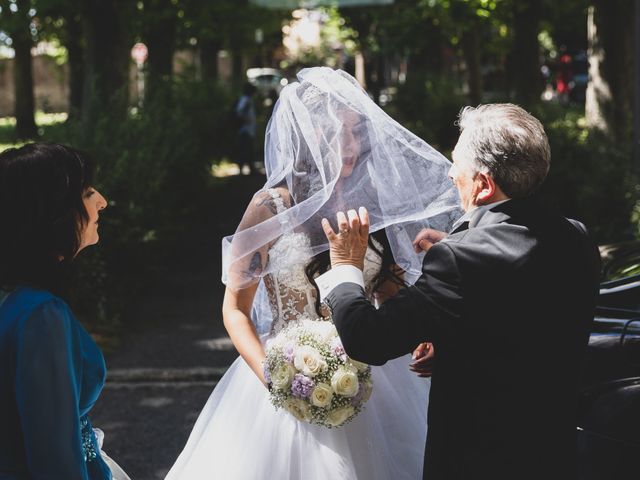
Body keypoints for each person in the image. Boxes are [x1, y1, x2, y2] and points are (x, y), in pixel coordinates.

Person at [165, 67, 461, 479]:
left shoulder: (368, 199)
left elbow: (386, 286)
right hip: (285, 374)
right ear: (309, 136)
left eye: (357, 132)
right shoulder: (270, 207)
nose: (351, 145)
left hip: (373, 377)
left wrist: (419, 334)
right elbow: (234, 310)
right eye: (339, 133)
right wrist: (274, 379)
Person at [316, 103, 602, 479]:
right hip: (552, 456)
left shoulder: (458, 260)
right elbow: (521, 322)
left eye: (457, 165)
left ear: (483, 185)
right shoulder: (576, 237)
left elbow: (369, 340)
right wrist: (460, 243)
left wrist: (346, 268)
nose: (452, 174)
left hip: (477, 462)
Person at [0, 143, 130, 480]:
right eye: (87, 192)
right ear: (52, 211)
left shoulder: (16, 299)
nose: (102, 200)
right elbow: (54, 458)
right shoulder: (41, 315)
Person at [232, 82, 258, 175]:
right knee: (245, 150)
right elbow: (240, 112)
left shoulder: (247, 100)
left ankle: (250, 169)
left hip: (247, 130)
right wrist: (247, 121)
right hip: (245, 130)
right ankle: (243, 170)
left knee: (248, 149)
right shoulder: (246, 100)